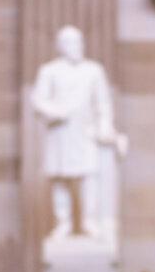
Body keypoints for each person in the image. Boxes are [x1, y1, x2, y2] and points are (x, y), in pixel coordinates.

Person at [30, 25, 126, 237]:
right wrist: (57, 111)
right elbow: (37, 100)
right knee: (60, 177)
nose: (76, 46)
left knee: (89, 176)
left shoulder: (94, 70)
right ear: (61, 46)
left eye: (79, 41)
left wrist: (105, 126)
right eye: (71, 42)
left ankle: (88, 221)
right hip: (60, 132)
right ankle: (62, 221)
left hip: (85, 132)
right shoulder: (49, 70)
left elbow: (103, 103)